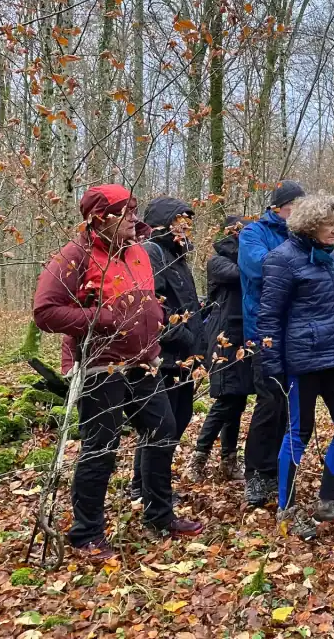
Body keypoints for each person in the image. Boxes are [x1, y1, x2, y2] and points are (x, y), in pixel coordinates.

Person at [33, 185, 202, 558]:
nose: (133, 218)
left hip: (143, 363)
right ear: (99, 218)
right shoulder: (75, 255)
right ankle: (86, 534)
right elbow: (45, 312)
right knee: (100, 447)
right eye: (124, 212)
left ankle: (160, 515)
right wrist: (102, 318)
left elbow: (149, 300)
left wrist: (156, 325)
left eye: (134, 210)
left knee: (163, 431)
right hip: (101, 365)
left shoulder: (138, 251)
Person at [257, 191, 334, 537]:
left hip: (332, 358)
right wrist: (272, 366)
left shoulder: (330, 259)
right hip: (300, 362)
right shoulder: (282, 259)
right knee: (298, 434)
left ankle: (327, 502)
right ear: (310, 225)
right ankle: (286, 510)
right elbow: (269, 317)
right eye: (328, 225)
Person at [133, 197, 204, 499]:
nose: (185, 226)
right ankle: (144, 490)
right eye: (179, 220)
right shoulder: (152, 252)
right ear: (164, 221)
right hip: (165, 356)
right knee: (162, 425)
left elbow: (181, 302)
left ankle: (149, 487)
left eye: (188, 221)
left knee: (179, 419)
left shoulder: (177, 256)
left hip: (183, 357)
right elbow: (153, 306)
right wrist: (183, 335)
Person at [239, 180, 304, 507]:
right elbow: (260, 267)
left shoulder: (302, 235)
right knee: (269, 402)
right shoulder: (253, 233)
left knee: (290, 406)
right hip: (263, 332)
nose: (300, 212)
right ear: (279, 207)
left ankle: (279, 470)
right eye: (296, 206)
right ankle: (256, 473)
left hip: (296, 332)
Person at [186, 216, 252, 482]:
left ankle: (229, 459)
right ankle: (198, 458)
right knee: (226, 399)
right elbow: (239, 274)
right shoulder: (218, 261)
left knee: (237, 400)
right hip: (223, 338)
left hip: (243, 338)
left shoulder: (239, 258)